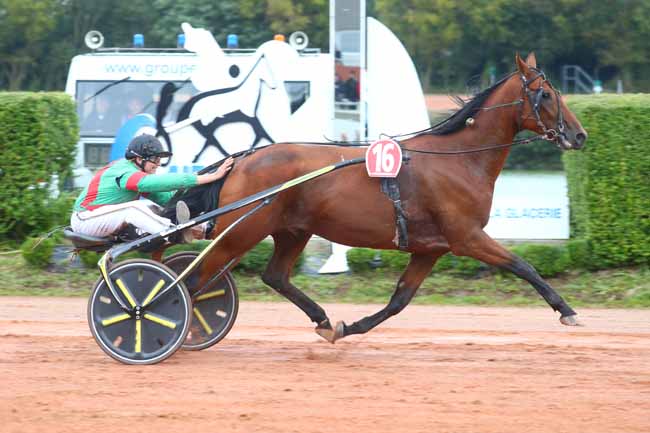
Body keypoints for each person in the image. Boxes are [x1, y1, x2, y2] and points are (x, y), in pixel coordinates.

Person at [71, 134, 234, 243]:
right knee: (135, 209)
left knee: (154, 208)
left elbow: (167, 200)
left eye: (159, 160)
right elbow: (151, 183)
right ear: (138, 159)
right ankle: (172, 232)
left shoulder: (138, 175)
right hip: (85, 219)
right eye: (154, 160)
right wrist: (209, 177)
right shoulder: (124, 170)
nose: (157, 165)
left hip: (99, 218)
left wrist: (203, 194)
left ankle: (204, 230)